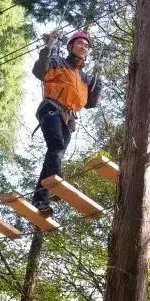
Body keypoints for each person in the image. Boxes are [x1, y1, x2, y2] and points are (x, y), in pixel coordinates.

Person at [30, 30, 101, 216]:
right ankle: (57, 181)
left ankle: (40, 200)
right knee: (56, 145)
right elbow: (39, 71)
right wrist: (48, 48)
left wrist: (97, 84)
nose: (83, 47)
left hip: (68, 119)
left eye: (86, 46)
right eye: (79, 44)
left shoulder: (84, 77)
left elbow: (90, 104)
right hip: (51, 108)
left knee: (55, 155)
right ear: (70, 46)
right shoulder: (58, 61)